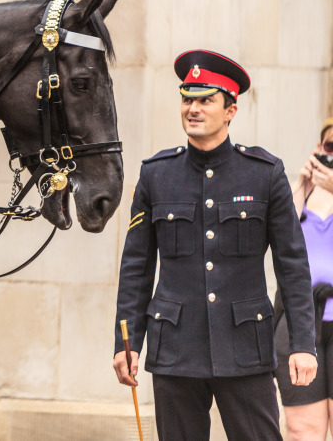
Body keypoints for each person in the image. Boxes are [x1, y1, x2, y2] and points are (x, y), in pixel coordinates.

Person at [112, 49, 317, 441]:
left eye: (206, 100)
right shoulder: (156, 175)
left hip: (246, 350)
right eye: (187, 98)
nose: (193, 108)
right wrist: (126, 343)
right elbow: (136, 267)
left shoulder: (264, 174)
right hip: (175, 352)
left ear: (230, 111)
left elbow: (292, 265)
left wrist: (302, 344)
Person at [275, 118, 333, 440]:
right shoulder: (304, 193)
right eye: (330, 146)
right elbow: (280, 237)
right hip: (300, 324)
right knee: (302, 430)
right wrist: (302, 185)